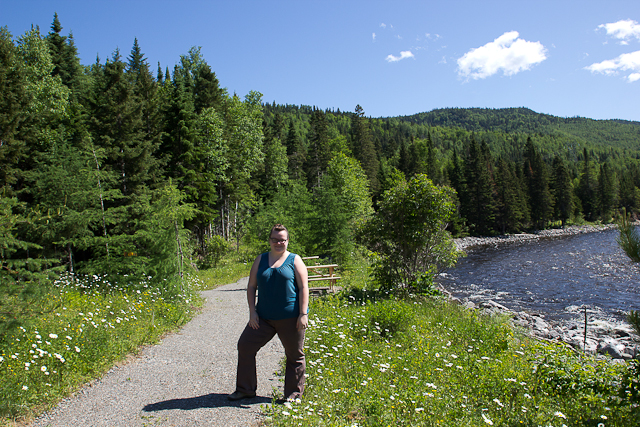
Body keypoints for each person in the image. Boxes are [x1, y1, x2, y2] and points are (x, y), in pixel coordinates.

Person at [228, 224, 309, 401]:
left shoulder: (295, 260)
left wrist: (303, 314)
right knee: (245, 346)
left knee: (295, 355)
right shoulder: (261, 259)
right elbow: (251, 286)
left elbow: (304, 288)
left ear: (287, 241)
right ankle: (245, 389)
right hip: (263, 318)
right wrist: (252, 312)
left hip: (290, 318)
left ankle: (293, 395)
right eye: (275, 239)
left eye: (282, 240)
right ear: (270, 240)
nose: (278, 242)